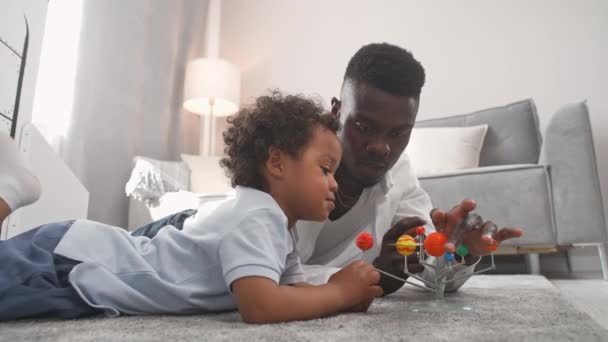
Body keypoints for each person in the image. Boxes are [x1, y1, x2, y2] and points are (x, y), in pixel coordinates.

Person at [133, 43, 523, 294]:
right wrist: (372, 273)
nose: (380, 147)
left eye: (398, 133)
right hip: (183, 241)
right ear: (337, 112)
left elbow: (431, 272)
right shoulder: (289, 167)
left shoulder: (399, 174)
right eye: (364, 126)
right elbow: (268, 283)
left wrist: (463, 253)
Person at [0, 91, 383, 322]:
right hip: (69, 265)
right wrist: (338, 294)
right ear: (277, 163)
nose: (335, 183)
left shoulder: (278, 224)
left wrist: (338, 297)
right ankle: (10, 189)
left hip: (77, 259)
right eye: (325, 169)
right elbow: (261, 305)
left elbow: (292, 292)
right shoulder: (259, 216)